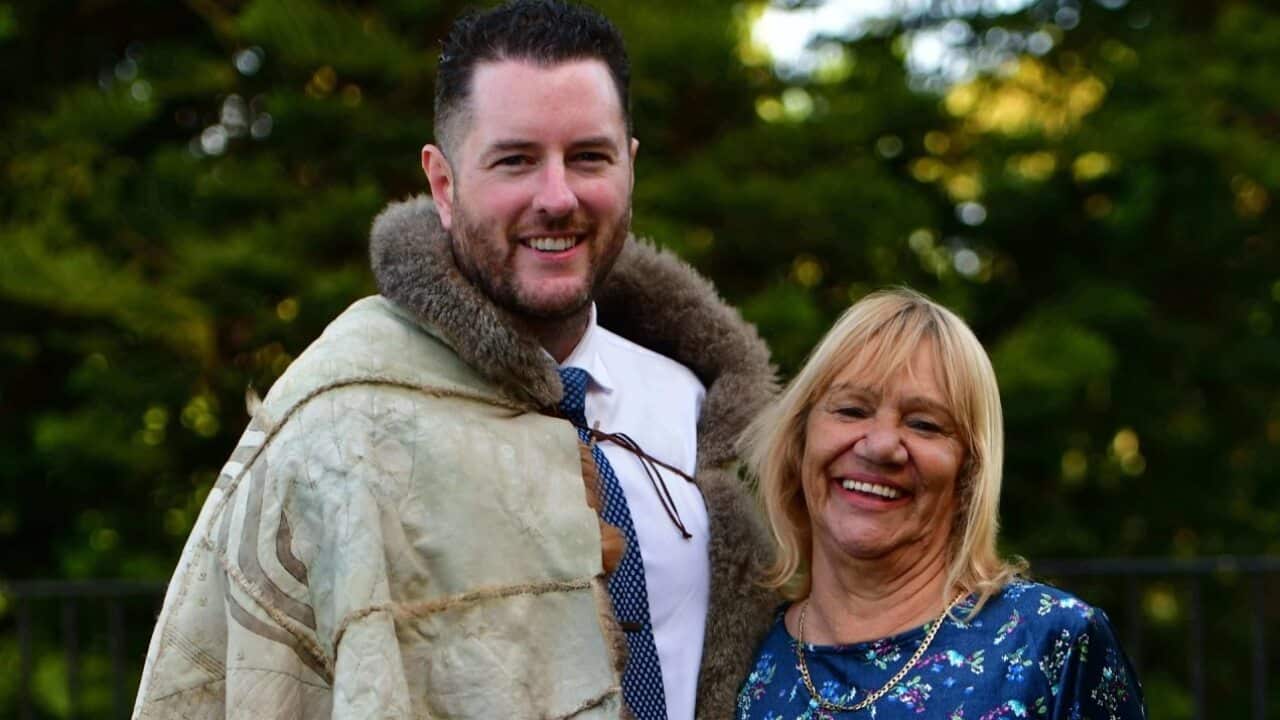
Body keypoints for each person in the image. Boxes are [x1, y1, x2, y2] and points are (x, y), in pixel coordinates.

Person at [132, 1, 778, 718]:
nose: (557, 197)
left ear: (629, 165)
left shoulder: (698, 411)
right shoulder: (345, 418)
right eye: (516, 160)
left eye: (588, 157)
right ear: (443, 184)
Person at [735, 288, 1146, 719]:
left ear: (968, 470)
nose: (880, 446)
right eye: (852, 410)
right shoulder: (737, 656)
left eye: (923, 424)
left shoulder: (1051, 646)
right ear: (799, 441)